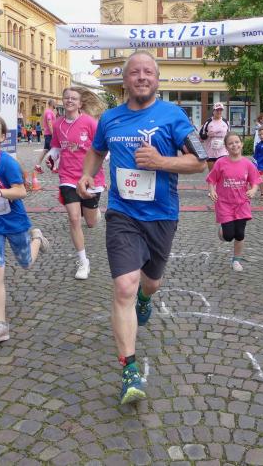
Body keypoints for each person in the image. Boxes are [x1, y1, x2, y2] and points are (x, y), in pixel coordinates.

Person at [77, 51, 207, 404]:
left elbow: (200, 161)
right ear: (125, 79)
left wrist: (160, 161)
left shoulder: (173, 116)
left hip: (162, 214)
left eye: (148, 71)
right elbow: (97, 151)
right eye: (135, 72)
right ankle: (129, 368)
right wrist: (87, 174)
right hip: (122, 214)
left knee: (150, 282)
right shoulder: (110, 118)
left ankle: (146, 300)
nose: (142, 77)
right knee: (124, 286)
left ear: (157, 79)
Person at [0, 115, 50, 343]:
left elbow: (21, 191)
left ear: (2, 137)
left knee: (26, 263)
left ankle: (37, 238)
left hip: (14, 221)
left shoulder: (7, 163)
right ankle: (1, 325)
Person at [44, 87, 106, 280]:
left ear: (80, 103)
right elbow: (56, 146)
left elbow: (102, 147)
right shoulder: (58, 123)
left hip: (90, 176)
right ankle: (83, 262)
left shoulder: (89, 122)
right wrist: (51, 156)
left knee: (91, 222)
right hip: (68, 177)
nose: (69, 101)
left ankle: (94, 212)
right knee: (73, 218)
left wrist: (105, 159)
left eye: (74, 98)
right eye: (66, 98)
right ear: (62, 101)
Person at [207, 132, 261, 272]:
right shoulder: (221, 163)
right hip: (224, 204)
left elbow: (255, 181)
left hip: (242, 203)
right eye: (230, 143)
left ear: (241, 144)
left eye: (237, 142)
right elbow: (211, 179)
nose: (234, 145)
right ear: (226, 147)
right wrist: (212, 191)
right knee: (229, 235)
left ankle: (236, 260)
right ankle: (222, 231)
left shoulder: (248, 164)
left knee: (240, 234)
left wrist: (253, 190)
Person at [201, 102, 229, 170]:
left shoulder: (226, 122)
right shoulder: (208, 122)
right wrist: (207, 134)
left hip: (223, 151)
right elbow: (201, 136)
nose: (219, 112)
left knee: (222, 171)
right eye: (217, 110)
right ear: (213, 111)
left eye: (220, 110)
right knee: (212, 173)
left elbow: (229, 136)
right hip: (211, 152)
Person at [34, 99, 57, 173]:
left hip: (48, 134)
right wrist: (53, 134)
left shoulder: (49, 111)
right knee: (54, 150)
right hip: (50, 134)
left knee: (45, 150)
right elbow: (49, 122)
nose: (56, 105)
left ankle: (37, 166)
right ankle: (54, 167)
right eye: (55, 103)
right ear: (52, 104)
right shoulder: (49, 112)